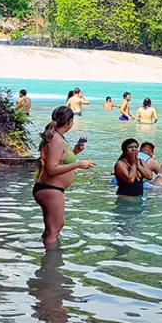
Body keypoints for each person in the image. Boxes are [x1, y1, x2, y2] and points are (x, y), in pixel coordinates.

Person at [32, 106, 94, 249]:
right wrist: (78, 164)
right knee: (54, 230)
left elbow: (57, 161)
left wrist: (74, 153)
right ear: (70, 122)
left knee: (51, 229)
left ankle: (47, 262)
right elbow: (52, 169)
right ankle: (51, 265)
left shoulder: (56, 137)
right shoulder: (56, 139)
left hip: (50, 189)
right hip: (50, 189)